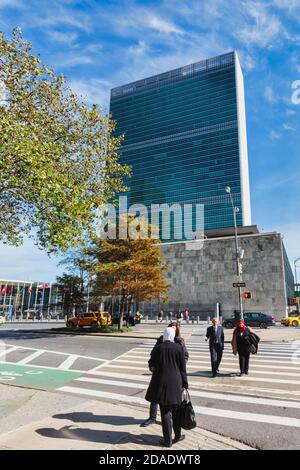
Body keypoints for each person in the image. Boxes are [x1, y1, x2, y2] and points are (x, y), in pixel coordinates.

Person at [145, 327, 188, 447]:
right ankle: (178, 436)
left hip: (161, 384)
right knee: (176, 411)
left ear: (164, 335)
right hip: (176, 383)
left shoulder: (158, 348)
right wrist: (185, 383)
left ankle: (167, 440)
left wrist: (155, 368)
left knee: (165, 412)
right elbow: (183, 368)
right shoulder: (178, 348)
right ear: (173, 336)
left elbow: (151, 364)